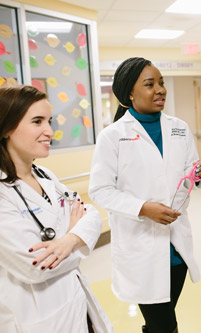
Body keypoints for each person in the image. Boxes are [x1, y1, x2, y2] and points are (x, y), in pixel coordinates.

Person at [88, 57, 201, 333]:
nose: (160, 90)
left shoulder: (179, 127)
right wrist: (143, 208)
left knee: (161, 321)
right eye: (150, 84)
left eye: (162, 83)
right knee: (163, 324)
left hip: (176, 249)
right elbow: (100, 189)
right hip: (140, 248)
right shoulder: (113, 136)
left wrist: (200, 174)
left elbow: (188, 177)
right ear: (129, 93)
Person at [0, 85, 112, 332]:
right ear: (6, 127)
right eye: (37, 121)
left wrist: (68, 241)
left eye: (49, 121)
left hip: (77, 305)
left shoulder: (45, 176)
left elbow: (90, 214)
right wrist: (79, 238)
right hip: (39, 319)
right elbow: (36, 266)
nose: (49, 131)